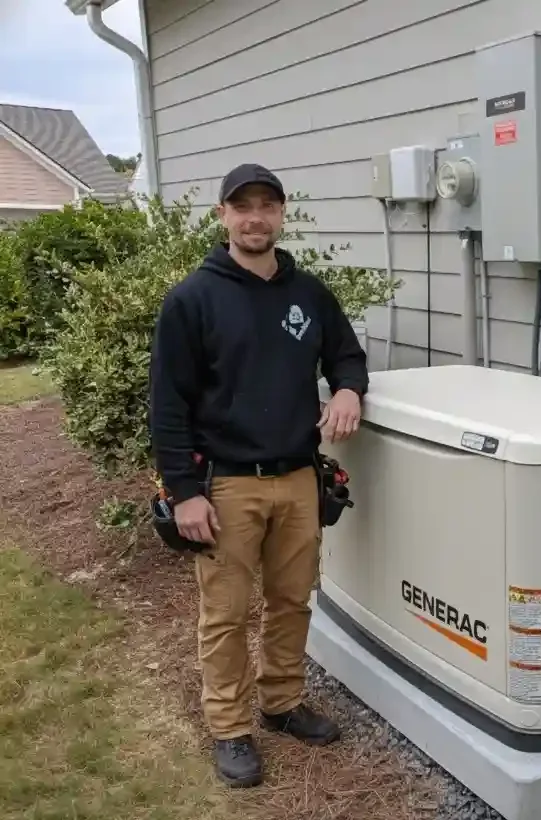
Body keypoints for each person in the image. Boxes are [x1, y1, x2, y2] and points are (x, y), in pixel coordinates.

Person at [148, 163, 369, 788]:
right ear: (222, 215)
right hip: (225, 486)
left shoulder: (310, 294)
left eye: (266, 206)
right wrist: (184, 493)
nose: (255, 218)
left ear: (281, 213)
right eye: (242, 207)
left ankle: (281, 702)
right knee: (226, 613)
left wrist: (348, 389)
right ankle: (229, 727)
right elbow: (167, 405)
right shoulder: (192, 299)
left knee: (292, 600)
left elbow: (346, 355)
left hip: (298, 477)